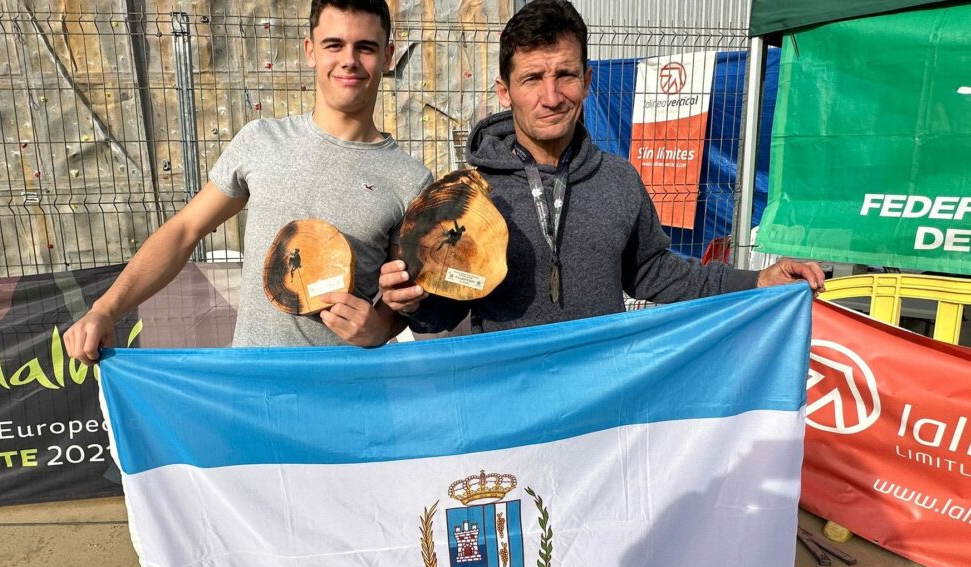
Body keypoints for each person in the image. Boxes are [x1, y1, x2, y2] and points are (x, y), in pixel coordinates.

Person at [379, 0, 823, 335]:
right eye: (532, 79)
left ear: (588, 80)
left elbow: (656, 273)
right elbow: (445, 307)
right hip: (506, 407)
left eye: (566, 75)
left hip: (601, 411)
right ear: (504, 90)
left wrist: (759, 279)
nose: (551, 97)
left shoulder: (619, 179)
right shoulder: (468, 196)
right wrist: (413, 302)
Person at [65, 0, 432, 363]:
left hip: (345, 398)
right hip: (252, 395)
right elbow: (184, 232)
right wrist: (105, 309)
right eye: (333, 45)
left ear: (387, 56)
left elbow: (404, 297)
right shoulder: (261, 141)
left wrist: (379, 329)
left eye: (365, 47)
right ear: (310, 51)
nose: (349, 60)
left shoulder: (411, 180)